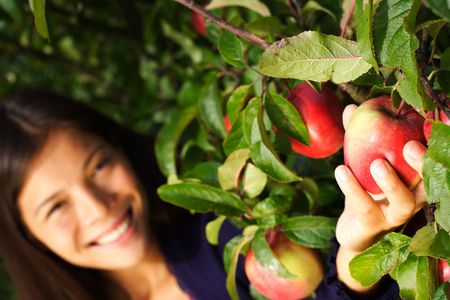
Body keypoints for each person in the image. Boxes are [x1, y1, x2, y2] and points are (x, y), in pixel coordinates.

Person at [0, 90, 426, 300]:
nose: (97, 207)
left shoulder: (233, 243)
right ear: (25, 235)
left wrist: (356, 260)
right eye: (56, 206)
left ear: (120, 151)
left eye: (98, 166)